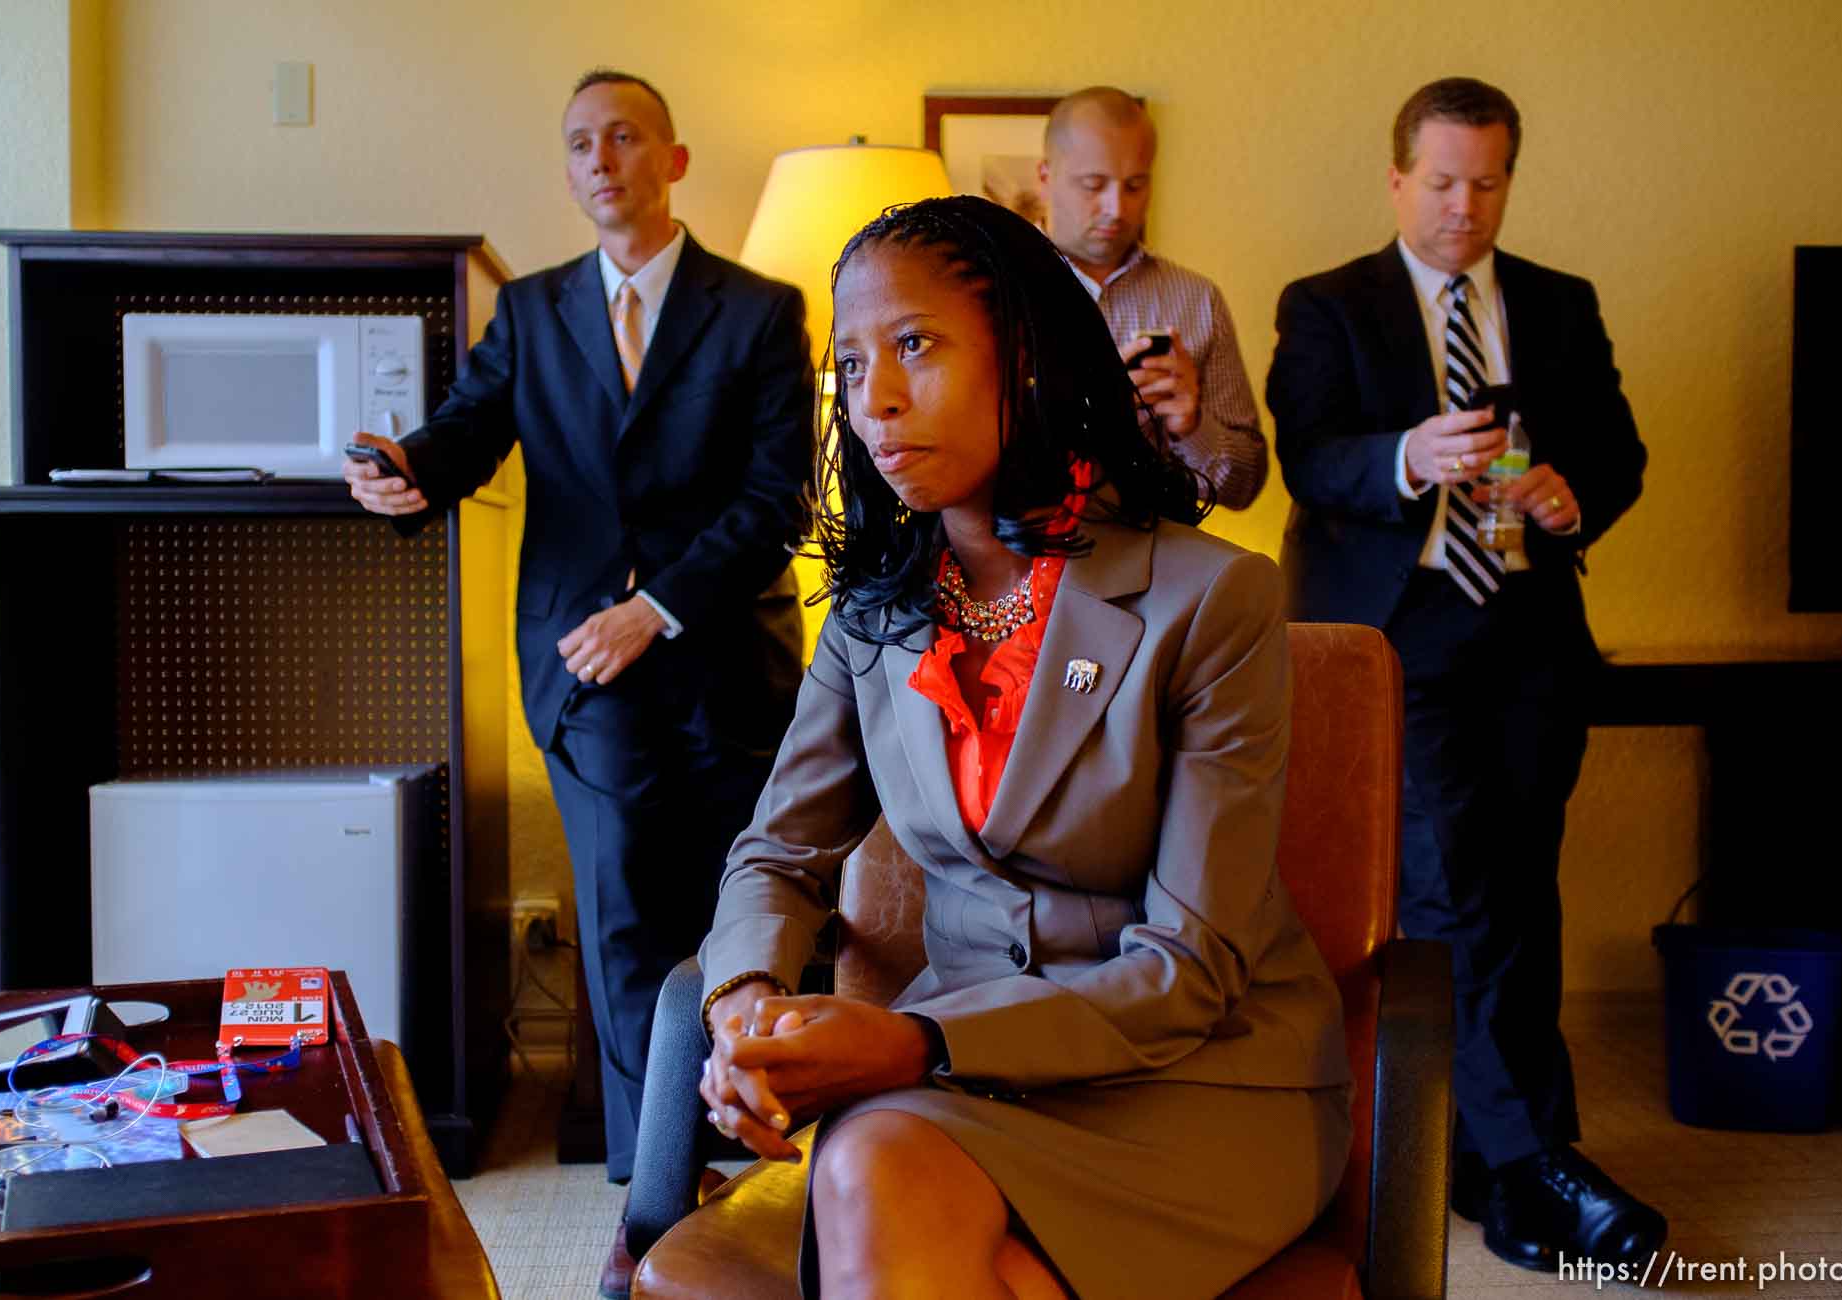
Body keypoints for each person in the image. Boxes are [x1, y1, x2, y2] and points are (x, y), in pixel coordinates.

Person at [694, 195, 1351, 1300]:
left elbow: (1188, 970)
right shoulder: (869, 617)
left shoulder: (1211, 598)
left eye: (913, 345)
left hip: (1192, 1080)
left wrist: (913, 1045)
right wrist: (742, 1004)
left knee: (906, 1203)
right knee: (879, 1175)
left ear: (1029, 358)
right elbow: (776, 855)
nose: (877, 399)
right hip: (971, 1080)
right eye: (850, 367)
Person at [343, 68, 812, 1297]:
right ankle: (644, 1180)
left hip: (722, 656)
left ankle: (743, 1139)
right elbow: (463, 433)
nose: (599, 160)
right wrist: (405, 473)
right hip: (578, 665)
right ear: (567, 172)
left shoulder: (760, 311)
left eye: (623, 138)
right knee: (615, 908)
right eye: (577, 145)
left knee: (737, 904)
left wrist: (653, 609)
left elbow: (776, 501)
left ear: (674, 158)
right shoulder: (537, 314)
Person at [1265, 77, 1660, 1273]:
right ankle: (1544, 1164)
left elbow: (1617, 451)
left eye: (1484, 182)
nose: (1461, 206)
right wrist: (1404, 454)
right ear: (1396, 180)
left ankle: (1490, 1172)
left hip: (1529, 636)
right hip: (1397, 641)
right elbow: (1308, 458)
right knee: (1455, 898)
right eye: (1439, 182)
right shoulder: (1326, 305)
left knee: (1520, 896)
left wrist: (1567, 493)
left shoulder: (1557, 301)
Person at [1038, 86, 1267, 509]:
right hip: (1020, 560)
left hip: (1158, 563)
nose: (1116, 208)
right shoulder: (991, 294)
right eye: (1093, 184)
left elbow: (1245, 485)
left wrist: (1192, 426)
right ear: (1045, 176)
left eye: (1135, 185)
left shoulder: (1197, 301)